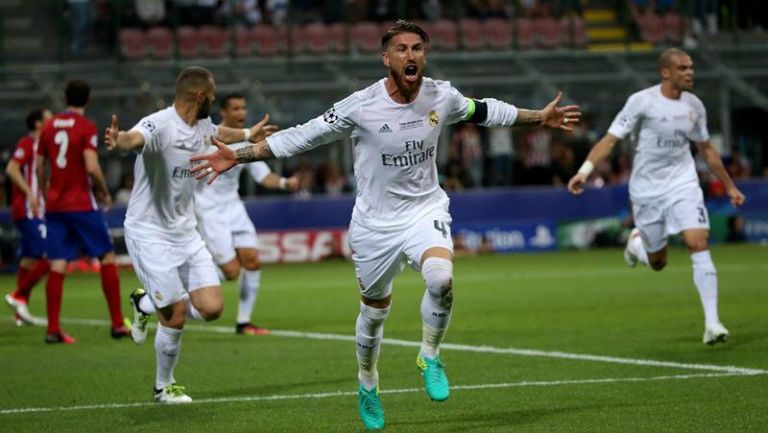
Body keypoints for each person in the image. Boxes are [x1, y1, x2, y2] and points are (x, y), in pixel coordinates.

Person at [190, 20, 580, 430]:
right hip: (375, 225)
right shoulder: (360, 106)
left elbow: (484, 110)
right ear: (386, 59)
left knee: (442, 279)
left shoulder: (440, 95)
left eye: (417, 48)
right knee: (375, 312)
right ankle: (368, 381)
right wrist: (239, 154)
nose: (411, 56)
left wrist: (538, 117)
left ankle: (429, 355)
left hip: (424, 210)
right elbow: (301, 137)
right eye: (401, 49)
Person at [103, 66, 275, 403]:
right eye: (212, 93)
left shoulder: (202, 125)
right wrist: (119, 140)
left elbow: (219, 131)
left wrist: (247, 133)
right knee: (177, 314)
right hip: (149, 232)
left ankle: (145, 302)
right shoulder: (160, 124)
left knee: (211, 309)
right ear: (200, 96)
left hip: (185, 231)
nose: (214, 97)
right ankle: (162, 386)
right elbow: (135, 138)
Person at [567, 48, 745, 346]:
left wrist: (729, 186)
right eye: (683, 68)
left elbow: (707, 150)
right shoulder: (642, 102)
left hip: (683, 185)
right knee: (658, 261)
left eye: (691, 67)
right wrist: (584, 172)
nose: (690, 72)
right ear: (666, 72)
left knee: (697, 242)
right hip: (647, 191)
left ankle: (712, 323)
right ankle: (636, 245)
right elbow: (610, 140)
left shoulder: (694, 106)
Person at [195, 93, 298, 336]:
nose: (242, 113)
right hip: (208, 209)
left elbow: (262, 176)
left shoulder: (246, 143)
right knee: (231, 272)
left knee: (252, 260)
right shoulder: (207, 139)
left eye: (244, 108)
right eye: (236, 108)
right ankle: (180, 287)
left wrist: (285, 183)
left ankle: (244, 322)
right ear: (223, 112)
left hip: (234, 206)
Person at [37, 80, 129, 344]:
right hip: (80, 203)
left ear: (65, 97)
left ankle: (53, 328)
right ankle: (116, 324)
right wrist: (103, 190)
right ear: (87, 99)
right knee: (107, 257)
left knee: (57, 263)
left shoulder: (48, 126)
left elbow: (41, 165)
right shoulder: (85, 127)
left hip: (55, 204)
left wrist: (46, 192)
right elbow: (91, 166)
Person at [4, 108, 53, 327]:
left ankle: (20, 314)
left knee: (28, 260)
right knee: (50, 253)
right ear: (37, 124)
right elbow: (12, 169)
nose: (53, 122)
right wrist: (29, 193)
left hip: (37, 209)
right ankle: (19, 295)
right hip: (27, 209)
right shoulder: (27, 143)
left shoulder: (43, 146)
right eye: (49, 119)